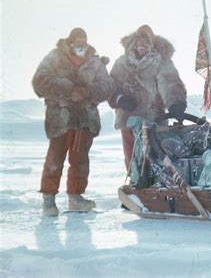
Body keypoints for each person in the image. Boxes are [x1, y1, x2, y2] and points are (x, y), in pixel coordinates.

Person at [32, 27, 114, 216]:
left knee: (80, 160)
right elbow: (40, 80)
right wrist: (69, 89)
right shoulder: (55, 57)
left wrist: (89, 91)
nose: (80, 43)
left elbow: (107, 85)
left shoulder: (94, 62)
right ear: (70, 41)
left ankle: (76, 198)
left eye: (83, 39)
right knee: (55, 158)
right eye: (76, 39)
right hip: (61, 118)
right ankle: (49, 200)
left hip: (85, 119)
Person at [108, 25, 187, 172]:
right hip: (128, 120)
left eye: (145, 42)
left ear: (151, 44)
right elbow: (111, 86)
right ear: (132, 44)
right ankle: (135, 185)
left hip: (154, 119)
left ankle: (156, 187)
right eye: (138, 42)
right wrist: (119, 99)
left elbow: (170, 83)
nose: (141, 46)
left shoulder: (162, 62)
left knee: (156, 157)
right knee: (133, 159)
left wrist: (176, 103)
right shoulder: (121, 63)